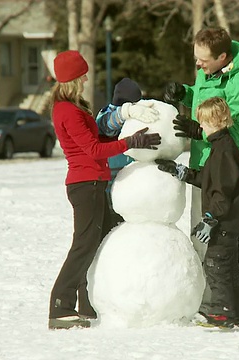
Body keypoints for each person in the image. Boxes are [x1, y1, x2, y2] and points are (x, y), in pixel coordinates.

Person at [48, 50, 161, 330]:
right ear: (72, 78)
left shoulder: (75, 107)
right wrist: (131, 142)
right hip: (84, 184)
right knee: (83, 245)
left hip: (93, 183)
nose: (86, 78)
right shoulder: (68, 111)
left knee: (98, 242)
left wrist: (124, 123)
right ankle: (60, 305)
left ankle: (87, 303)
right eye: (82, 74)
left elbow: (97, 137)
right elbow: (95, 149)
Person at [163, 27, 239, 315]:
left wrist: (201, 131)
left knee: (231, 238)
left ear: (222, 56)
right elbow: (206, 100)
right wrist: (185, 93)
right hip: (203, 167)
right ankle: (212, 301)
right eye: (196, 58)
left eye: (203, 60)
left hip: (233, 173)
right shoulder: (209, 71)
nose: (198, 65)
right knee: (202, 237)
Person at [155, 97, 239, 328]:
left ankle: (223, 313)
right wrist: (182, 172)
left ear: (215, 121)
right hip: (228, 222)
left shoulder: (224, 151)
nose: (201, 129)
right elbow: (209, 180)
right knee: (230, 267)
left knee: (216, 265)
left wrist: (210, 219)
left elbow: (222, 193)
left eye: (203, 124)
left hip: (224, 222)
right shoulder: (219, 147)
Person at [95, 78, 159, 223]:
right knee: (112, 219)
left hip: (131, 178)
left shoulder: (138, 116)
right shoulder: (107, 113)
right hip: (110, 179)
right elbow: (107, 125)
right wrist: (126, 112)